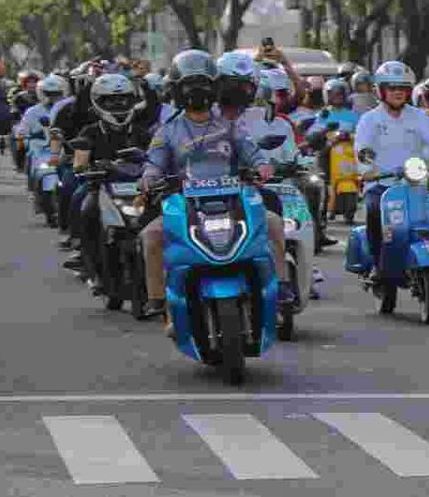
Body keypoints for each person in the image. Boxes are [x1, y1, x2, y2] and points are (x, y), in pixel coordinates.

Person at [138, 50, 290, 322]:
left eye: (203, 85)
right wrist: (149, 178)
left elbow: (252, 152)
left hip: (233, 202)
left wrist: (263, 165)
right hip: (185, 205)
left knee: (275, 224)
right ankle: (158, 298)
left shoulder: (230, 126)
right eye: (189, 86)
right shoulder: (167, 131)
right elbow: (154, 163)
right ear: (177, 91)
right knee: (151, 235)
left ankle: (280, 290)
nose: (197, 92)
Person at [354, 60, 429, 271]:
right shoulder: (370, 119)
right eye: (392, 88)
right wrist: (368, 170)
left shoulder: (419, 117)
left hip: (415, 183)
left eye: (403, 88)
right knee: (374, 209)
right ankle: (378, 263)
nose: (398, 92)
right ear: (381, 90)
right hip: (381, 184)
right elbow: (363, 150)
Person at [70, 73, 153, 292]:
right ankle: (86, 259)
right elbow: (79, 162)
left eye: (123, 99)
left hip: (140, 190)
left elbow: (158, 157)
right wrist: (85, 167)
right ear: (98, 102)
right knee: (84, 204)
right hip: (101, 188)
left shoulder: (142, 132)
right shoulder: (89, 132)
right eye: (111, 100)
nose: (118, 105)